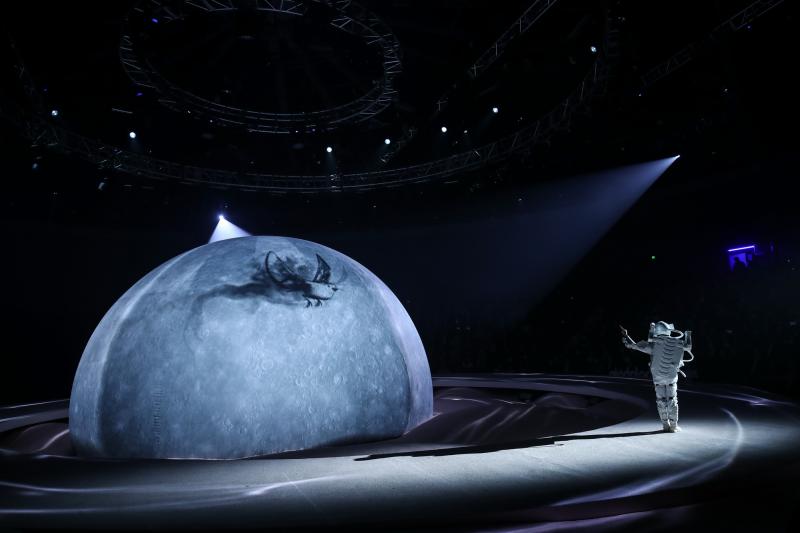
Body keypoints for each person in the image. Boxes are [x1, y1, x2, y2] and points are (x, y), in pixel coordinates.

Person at [620, 322, 694, 432]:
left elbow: (632, 345)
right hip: (671, 378)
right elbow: (688, 347)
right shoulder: (678, 343)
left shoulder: (654, 344)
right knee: (672, 401)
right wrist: (688, 335)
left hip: (658, 379)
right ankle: (673, 426)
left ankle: (665, 425)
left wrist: (626, 336)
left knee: (661, 401)